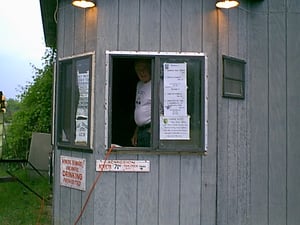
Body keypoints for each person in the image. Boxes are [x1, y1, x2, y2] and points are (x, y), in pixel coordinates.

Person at [131, 59, 152, 147]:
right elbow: (139, 108)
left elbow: (167, 109)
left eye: (144, 69)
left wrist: (152, 130)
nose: (141, 72)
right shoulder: (139, 84)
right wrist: (136, 132)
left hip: (150, 131)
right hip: (141, 130)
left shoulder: (158, 84)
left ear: (150, 68)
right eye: (138, 70)